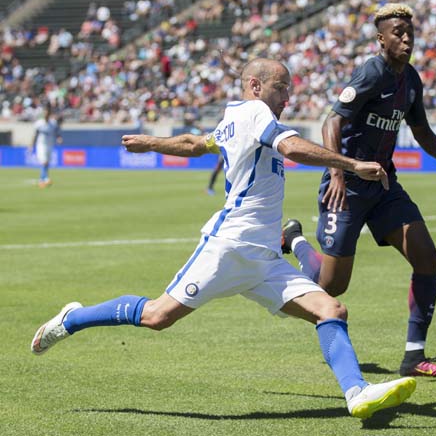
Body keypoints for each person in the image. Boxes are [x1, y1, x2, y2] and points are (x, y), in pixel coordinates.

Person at [31, 58, 415, 420]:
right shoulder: (253, 112)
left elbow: (195, 145)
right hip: (228, 247)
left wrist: (151, 142)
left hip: (264, 257)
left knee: (331, 310)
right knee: (156, 316)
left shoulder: (234, 117)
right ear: (255, 85)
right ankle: (73, 318)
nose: (288, 97)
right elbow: (292, 147)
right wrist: (351, 164)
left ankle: (356, 393)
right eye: (282, 88)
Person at [281, 4, 436, 378]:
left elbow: (421, 128)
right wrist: (335, 173)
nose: (406, 37)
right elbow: (332, 120)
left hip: (383, 186)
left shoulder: (411, 79)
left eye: (409, 31)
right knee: (332, 287)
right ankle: (295, 240)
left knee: (428, 259)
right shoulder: (371, 71)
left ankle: (414, 357)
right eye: (398, 31)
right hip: (346, 186)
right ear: (381, 38)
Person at [31, 106, 62, 188]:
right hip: (41, 144)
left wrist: (59, 138)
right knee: (44, 161)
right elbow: (35, 135)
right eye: (45, 114)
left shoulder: (53, 123)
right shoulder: (39, 123)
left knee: (47, 162)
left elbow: (57, 132)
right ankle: (44, 178)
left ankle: (43, 178)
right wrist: (31, 145)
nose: (46, 115)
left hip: (50, 144)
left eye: (47, 114)